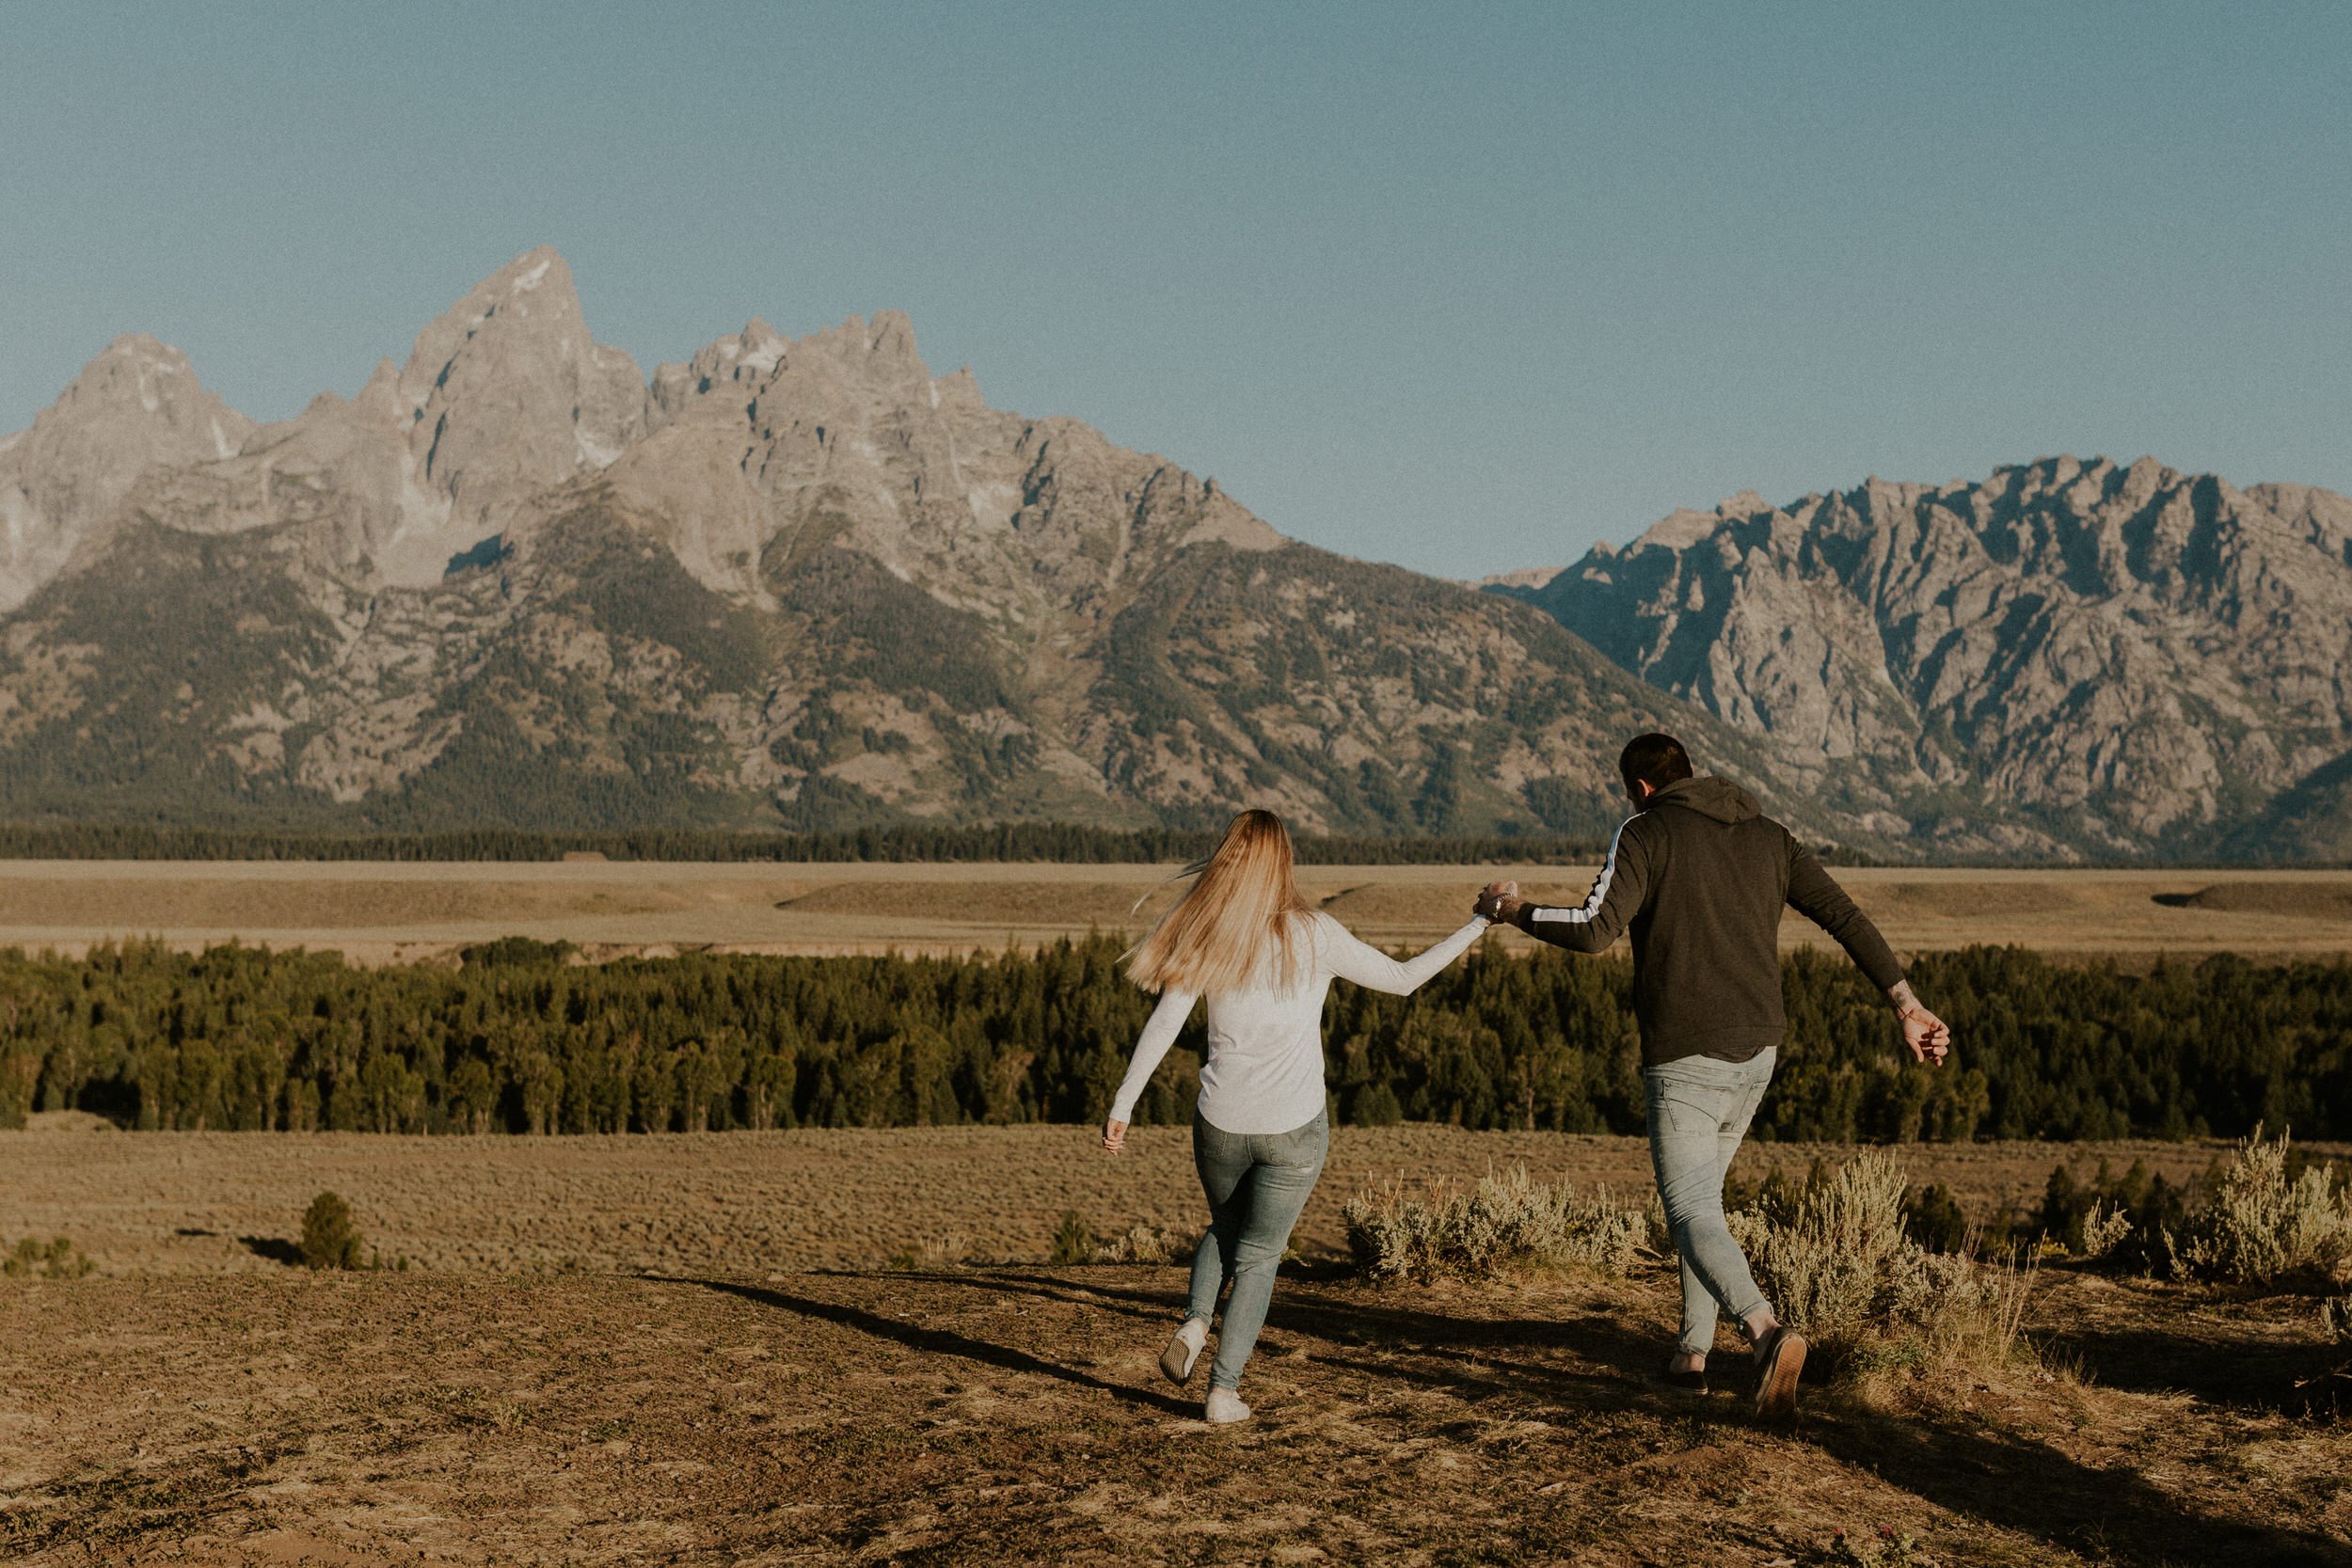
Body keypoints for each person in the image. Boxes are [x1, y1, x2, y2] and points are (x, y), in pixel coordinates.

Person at [1472, 734, 1950, 1419]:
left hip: (1685, 1056)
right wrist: (1905, 1003)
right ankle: (1689, 1358)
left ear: (1639, 787)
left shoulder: (1646, 831)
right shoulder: (1770, 835)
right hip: (1757, 1053)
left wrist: (1507, 909)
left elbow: (1592, 928)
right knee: (1705, 1206)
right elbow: (1843, 915)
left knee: (1692, 1210)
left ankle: (1766, 1334)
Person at [1102, 808, 1496, 1424]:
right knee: (1260, 1254)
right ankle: (1223, 1390)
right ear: (1284, 862)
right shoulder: (1315, 933)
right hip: (1293, 1128)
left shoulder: (1210, 932)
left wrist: (1124, 1101)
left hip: (1219, 1123)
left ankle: (1195, 1323)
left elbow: (1164, 1023)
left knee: (1225, 1228)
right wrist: (1480, 921)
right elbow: (1403, 978)